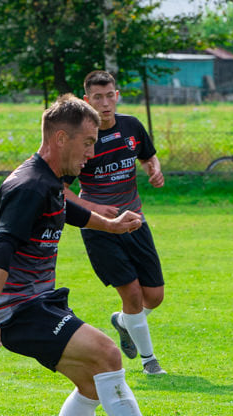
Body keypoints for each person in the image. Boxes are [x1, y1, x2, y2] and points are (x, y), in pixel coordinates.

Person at [0, 94, 194, 416]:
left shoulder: (49, 182)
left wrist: (110, 225)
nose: (92, 153)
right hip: (20, 310)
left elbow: (67, 210)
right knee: (109, 353)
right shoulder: (29, 185)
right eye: (88, 142)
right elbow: (1, 248)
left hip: (37, 303)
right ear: (61, 138)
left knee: (92, 384)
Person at [63, 70, 168, 376]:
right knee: (132, 294)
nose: (105, 103)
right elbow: (62, 188)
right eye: (97, 97)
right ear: (87, 100)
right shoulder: (82, 139)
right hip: (99, 228)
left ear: (117, 95)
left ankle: (124, 321)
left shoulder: (132, 126)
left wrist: (154, 170)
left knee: (155, 295)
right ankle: (150, 363)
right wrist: (94, 208)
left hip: (135, 220)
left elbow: (148, 156)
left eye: (110, 96)